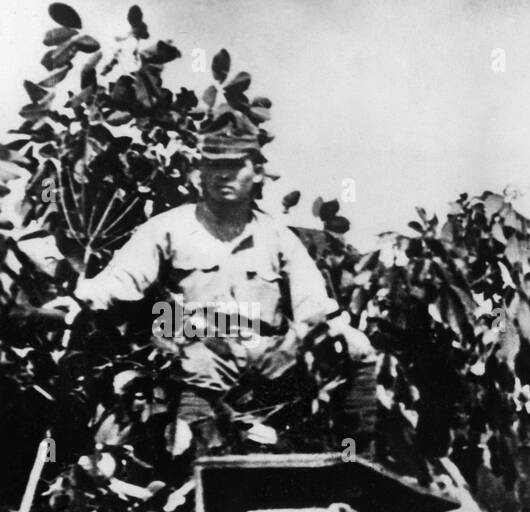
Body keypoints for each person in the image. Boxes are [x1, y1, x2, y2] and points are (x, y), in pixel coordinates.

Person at [53, 121, 377, 455]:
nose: (224, 175)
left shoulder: (278, 237)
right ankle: (191, 442)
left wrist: (292, 344)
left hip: (264, 349)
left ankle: (354, 455)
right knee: (183, 353)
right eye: (214, 165)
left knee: (356, 345)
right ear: (199, 174)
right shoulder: (168, 228)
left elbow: (313, 306)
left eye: (236, 165)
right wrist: (73, 304)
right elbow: (120, 282)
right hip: (192, 341)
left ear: (257, 173)